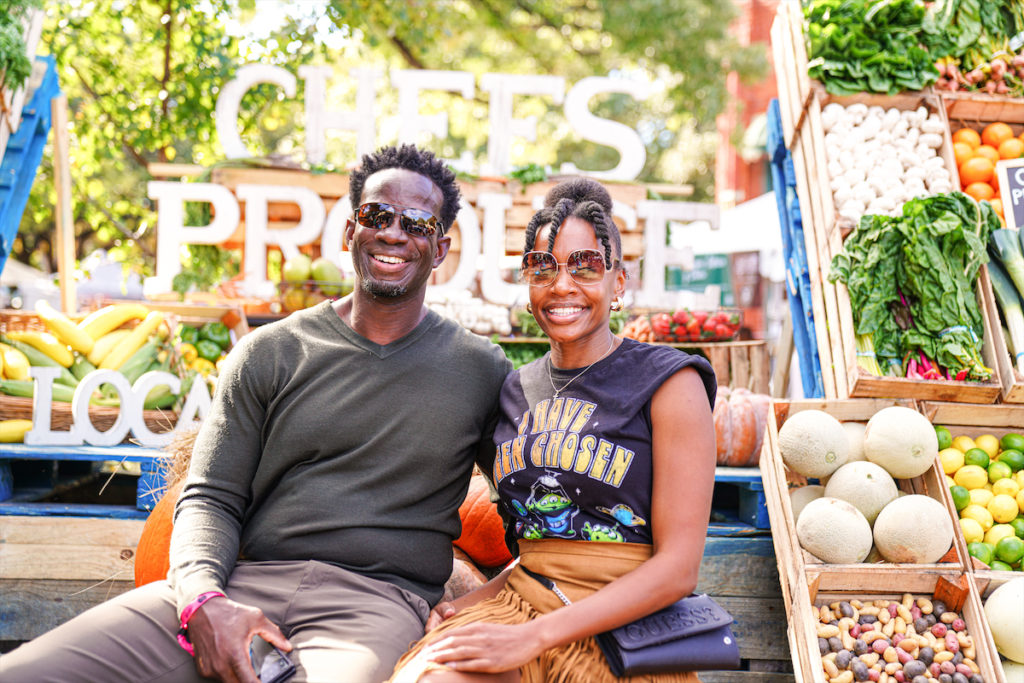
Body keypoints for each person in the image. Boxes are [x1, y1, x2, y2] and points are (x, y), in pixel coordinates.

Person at [0, 144, 511, 683]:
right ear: (349, 231)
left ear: (440, 246)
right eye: (377, 215)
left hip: (372, 609)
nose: (393, 232)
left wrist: (480, 601)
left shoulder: (479, 370)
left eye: (417, 223)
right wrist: (202, 600)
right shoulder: (271, 351)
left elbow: (538, 516)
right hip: (238, 586)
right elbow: (210, 496)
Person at [390, 177, 718, 683]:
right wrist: (463, 608)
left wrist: (535, 637)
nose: (562, 285)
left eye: (585, 266)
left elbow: (678, 570)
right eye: (543, 267)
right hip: (522, 606)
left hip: (622, 628)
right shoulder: (513, 392)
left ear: (619, 282)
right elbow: (538, 556)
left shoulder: (669, 381)